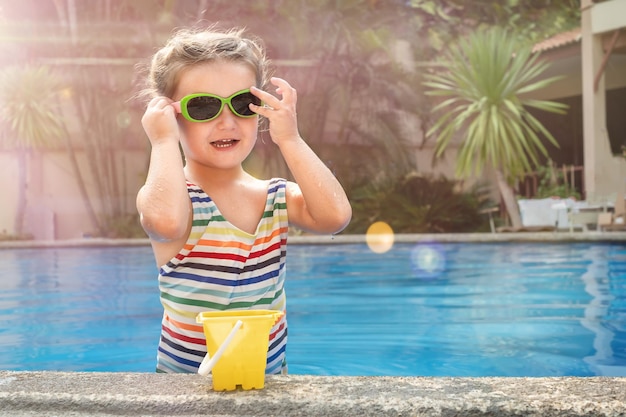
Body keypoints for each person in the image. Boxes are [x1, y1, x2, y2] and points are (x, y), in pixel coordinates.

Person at [136, 26, 352, 374]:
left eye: (242, 104)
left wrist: (291, 140)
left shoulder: (275, 198)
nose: (227, 121)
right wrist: (162, 143)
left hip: (267, 388)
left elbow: (335, 217)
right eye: (203, 106)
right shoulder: (178, 201)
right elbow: (164, 223)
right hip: (183, 396)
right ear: (171, 116)